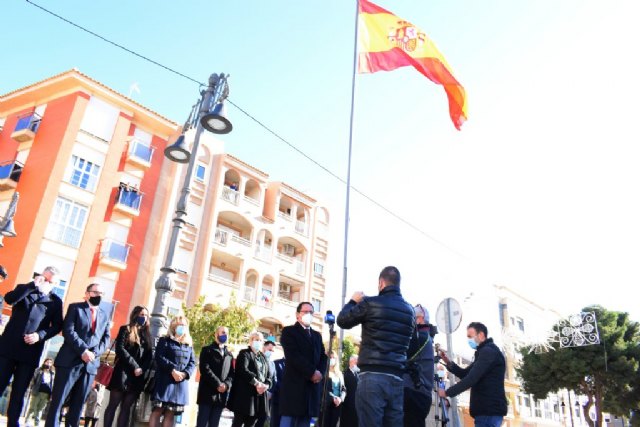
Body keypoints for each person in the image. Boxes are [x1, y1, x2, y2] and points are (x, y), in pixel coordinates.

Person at [337, 266, 415, 427]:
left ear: (381, 283)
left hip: (372, 377)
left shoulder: (370, 303)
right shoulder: (410, 311)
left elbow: (342, 320)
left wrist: (353, 301)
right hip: (397, 378)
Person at [0, 267, 63, 427]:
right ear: (40, 276)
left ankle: (13, 422)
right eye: (45, 278)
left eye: (51, 281)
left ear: (56, 284)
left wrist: (39, 336)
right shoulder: (25, 288)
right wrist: (31, 286)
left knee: (19, 391)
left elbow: (56, 326)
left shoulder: (55, 301)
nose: (47, 283)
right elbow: (9, 299)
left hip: (30, 353)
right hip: (8, 348)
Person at [45, 283, 111, 427]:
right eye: (95, 292)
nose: (98, 296)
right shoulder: (75, 308)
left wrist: (93, 353)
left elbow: (106, 339)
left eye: (101, 293)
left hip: (90, 366)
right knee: (58, 401)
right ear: (87, 293)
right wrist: (83, 351)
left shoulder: (104, 315)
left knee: (78, 403)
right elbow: (69, 331)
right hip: (70, 361)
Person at [437, 322, 508, 427]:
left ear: (481, 335)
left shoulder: (488, 352)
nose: (469, 340)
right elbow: (464, 374)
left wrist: (446, 393)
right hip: (486, 412)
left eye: (470, 336)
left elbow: (471, 379)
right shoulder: (484, 352)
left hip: (488, 412)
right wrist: (448, 362)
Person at [103, 306, 153, 427]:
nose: (144, 317)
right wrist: (135, 366)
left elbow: (149, 357)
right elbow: (120, 349)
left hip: (137, 377)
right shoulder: (125, 329)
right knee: (113, 405)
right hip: (123, 373)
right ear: (135, 315)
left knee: (126, 409)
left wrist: (141, 369)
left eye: (146, 315)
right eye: (141, 314)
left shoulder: (147, 336)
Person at [279, 302, 327, 427]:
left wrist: (320, 373)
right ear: (297, 315)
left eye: (311, 312)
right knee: (288, 422)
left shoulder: (317, 335)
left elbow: (323, 356)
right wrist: (312, 372)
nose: (309, 315)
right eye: (305, 312)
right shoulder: (289, 331)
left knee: (305, 423)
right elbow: (293, 356)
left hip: (311, 391)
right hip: (294, 388)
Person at [149, 315, 196, 427]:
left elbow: (192, 362)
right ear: (174, 327)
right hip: (165, 382)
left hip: (180, 384)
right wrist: (172, 370)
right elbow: (159, 357)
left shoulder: (188, 345)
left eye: (184, 325)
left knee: (170, 415)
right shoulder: (165, 340)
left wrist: (184, 374)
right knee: (157, 411)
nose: (182, 327)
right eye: (179, 325)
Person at [228, 332, 272, 427]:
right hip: (245, 397)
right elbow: (243, 370)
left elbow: (269, 375)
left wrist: (266, 385)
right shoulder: (244, 353)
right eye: (256, 339)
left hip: (259, 397)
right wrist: (257, 383)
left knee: (251, 423)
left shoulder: (263, 357)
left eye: (260, 340)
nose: (258, 342)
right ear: (251, 341)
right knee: (238, 423)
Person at [403, 304, 435, 427]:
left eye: (411, 317)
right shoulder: (424, 336)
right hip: (418, 394)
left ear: (420, 319)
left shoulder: (421, 336)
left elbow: (400, 352)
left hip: (416, 394)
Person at [196, 326, 234, 427]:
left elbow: (231, 374)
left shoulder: (229, 355)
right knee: (202, 423)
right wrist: (218, 384)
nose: (224, 335)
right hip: (207, 394)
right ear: (216, 334)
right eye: (222, 333)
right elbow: (205, 369)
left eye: (226, 333)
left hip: (221, 397)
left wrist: (226, 385)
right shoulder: (207, 350)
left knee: (214, 424)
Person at [25, 358, 56, 427]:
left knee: (40, 409)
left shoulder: (52, 373)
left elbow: (53, 384)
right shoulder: (39, 370)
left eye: (50, 363)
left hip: (46, 394)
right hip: (37, 392)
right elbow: (33, 380)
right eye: (47, 362)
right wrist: (31, 389)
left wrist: (51, 394)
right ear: (44, 362)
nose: (48, 364)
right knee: (32, 407)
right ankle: (27, 422)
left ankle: (36, 424)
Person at [319, 351, 346, 427]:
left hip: (337, 405)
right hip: (326, 404)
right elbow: (321, 388)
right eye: (330, 357)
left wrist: (341, 399)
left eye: (333, 357)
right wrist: (332, 398)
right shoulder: (323, 372)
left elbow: (344, 389)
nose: (332, 359)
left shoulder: (339, 373)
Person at [255, 339, 276, 427]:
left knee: (261, 421)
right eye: (269, 349)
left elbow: (274, 379)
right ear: (264, 347)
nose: (270, 352)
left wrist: (270, 392)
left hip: (267, 399)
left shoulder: (272, 364)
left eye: (272, 350)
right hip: (255, 395)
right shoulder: (256, 358)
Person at [340, 355, 359, 427]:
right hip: (347, 405)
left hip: (356, 405)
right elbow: (343, 389)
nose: (358, 363)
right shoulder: (345, 374)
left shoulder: (358, 374)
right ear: (352, 362)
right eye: (356, 361)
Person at [269, 356, 286, 427]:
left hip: (290, 403)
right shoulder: (276, 363)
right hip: (278, 399)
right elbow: (274, 379)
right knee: (275, 422)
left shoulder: (297, 365)